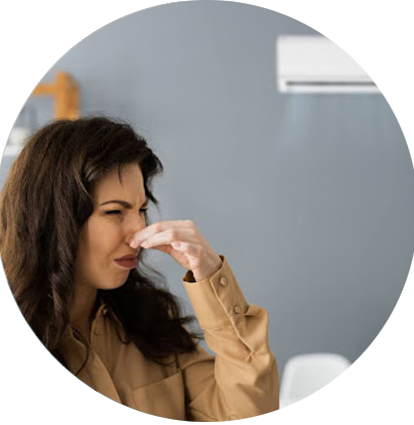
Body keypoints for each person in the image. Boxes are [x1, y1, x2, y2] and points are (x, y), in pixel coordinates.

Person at [0, 116, 279, 421]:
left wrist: (212, 278)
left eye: (142, 210)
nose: (139, 231)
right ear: (52, 220)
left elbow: (249, 414)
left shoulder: (153, 323)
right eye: (114, 212)